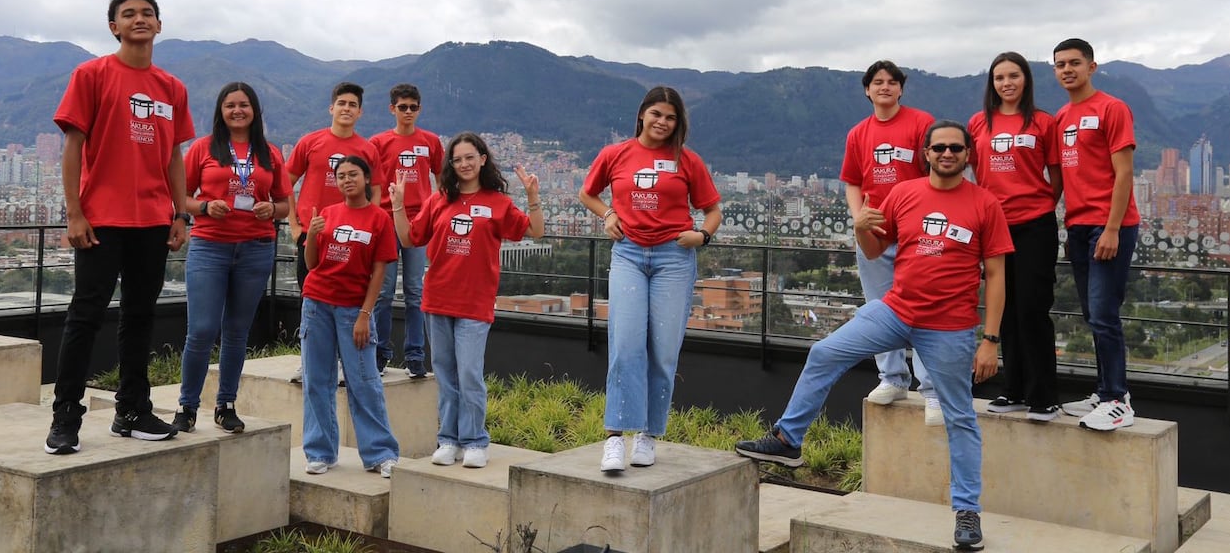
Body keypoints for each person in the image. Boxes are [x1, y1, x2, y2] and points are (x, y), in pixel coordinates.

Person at [736, 120, 1013, 550]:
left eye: (956, 148)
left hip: (949, 326)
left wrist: (990, 339)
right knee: (825, 352)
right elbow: (872, 250)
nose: (947, 153)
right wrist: (861, 226)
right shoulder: (904, 194)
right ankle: (789, 439)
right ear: (926, 152)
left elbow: (996, 276)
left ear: (968, 154)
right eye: (938, 147)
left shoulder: (984, 204)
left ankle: (967, 512)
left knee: (959, 417)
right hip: (896, 309)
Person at [45, 0, 196, 454]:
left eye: (148, 13)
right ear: (114, 26)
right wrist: (74, 212)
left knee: (140, 316)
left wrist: (179, 212)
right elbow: (73, 148)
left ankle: (132, 410)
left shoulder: (172, 88)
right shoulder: (91, 75)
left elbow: (173, 155)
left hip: (152, 219)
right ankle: (66, 414)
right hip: (101, 219)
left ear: (159, 25)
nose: (139, 19)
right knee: (85, 315)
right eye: (128, 14)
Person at [578, 86, 722, 472]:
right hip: (627, 253)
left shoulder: (687, 161)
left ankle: (648, 434)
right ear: (642, 114)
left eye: (670, 117)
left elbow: (713, 210)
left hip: (674, 257)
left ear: (678, 123)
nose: (662, 122)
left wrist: (702, 236)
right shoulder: (615, 154)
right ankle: (614, 437)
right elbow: (587, 193)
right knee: (625, 345)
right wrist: (608, 214)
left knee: (663, 350)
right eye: (656, 113)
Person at [391, 132, 543, 469]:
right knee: (445, 374)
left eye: (469, 157)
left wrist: (533, 197)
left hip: (475, 302)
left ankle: (475, 440)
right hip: (438, 298)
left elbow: (534, 231)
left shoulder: (498, 202)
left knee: (470, 373)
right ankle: (448, 439)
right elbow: (409, 237)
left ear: (483, 159)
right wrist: (398, 205)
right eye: (457, 159)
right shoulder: (439, 199)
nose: (464, 164)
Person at [172, 82, 291, 434]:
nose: (237, 111)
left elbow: (285, 202)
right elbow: (181, 196)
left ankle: (226, 404)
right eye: (230, 105)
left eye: (244, 105)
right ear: (220, 111)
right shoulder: (203, 148)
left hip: (256, 247)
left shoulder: (269, 153)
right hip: (211, 246)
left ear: (254, 110)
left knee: (238, 331)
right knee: (203, 330)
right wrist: (205, 207)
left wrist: (273, 209)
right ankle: (187, 405)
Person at [840, 60, 940, 424]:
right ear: (867, 90)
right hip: (875, 234)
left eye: (892, 82)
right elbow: (852, 180)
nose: (885, 87)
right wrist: (858, 218)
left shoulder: (921, 123)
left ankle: (932, 389)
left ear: (901, 88)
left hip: (915, 231)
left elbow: (937, 172)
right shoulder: (858, 134)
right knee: (882, 308)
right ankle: (892, 378)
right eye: (877, 82)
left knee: (926, 311)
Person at [967, 53, 1063, 422]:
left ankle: (1044, 396)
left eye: (1013, 75)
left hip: (1035, 225)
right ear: (992, 83)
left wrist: (1039, 207)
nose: (1006, 83)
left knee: (1033, 308)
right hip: (994, 226)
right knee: (1002, 309)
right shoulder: (978, 122)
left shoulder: (1043, 122)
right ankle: (1014, 389)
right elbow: (975, 173)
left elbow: (1055, 175)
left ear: (1026, 80)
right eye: (999, 77)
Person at [1053, 38, 1141, 431]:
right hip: (1078, 225)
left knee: (1105, 314)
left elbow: (1124, 173)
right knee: (1092, 313)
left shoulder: (1112, 108)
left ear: (1092, 66)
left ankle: (1118, 399)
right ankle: (1104, 390)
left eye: (1074, 62)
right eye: (1060, 64)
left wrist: (1111, 228)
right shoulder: (1061, 117)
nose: (1067, 69)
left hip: (1111, 226)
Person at [300, 155, 400, 477]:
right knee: (317, 379)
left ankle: (381, 453)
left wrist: (365, 314)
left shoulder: (379, 219)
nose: (346, 180)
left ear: (366, 178)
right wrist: (312, 235)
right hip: (316, 304)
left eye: (352, 174)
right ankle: (319, 452)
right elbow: (312, 264)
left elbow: (379, 271)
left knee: (364, 381)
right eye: (340, 175)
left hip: (353, 310)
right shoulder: (327, 214)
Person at [285, 82, 380, 381]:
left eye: (353, 104)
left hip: (352, 238)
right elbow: (285, 182)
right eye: (342, 103)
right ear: (332, 108)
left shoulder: (367, 149)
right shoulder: (310, 142)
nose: (347, 108)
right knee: (309, 299)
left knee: (348, 299)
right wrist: (293, 224)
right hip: (312, 235)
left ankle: (343, 362)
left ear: (360, 111)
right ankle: (309, 361)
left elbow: (376, 191)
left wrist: (370, 225)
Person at [370, 83, 443, 377]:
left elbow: (442, 177)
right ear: (392, 109)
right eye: (403, 107)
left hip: (419, 223)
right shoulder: (378, 142)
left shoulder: (431, 142)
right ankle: (379, 353)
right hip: (387, 221)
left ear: (419, 109)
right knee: (383, 292)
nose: (408, 112)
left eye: (413, 107)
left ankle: (415, 356)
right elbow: (373, 183)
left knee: (415, 292)